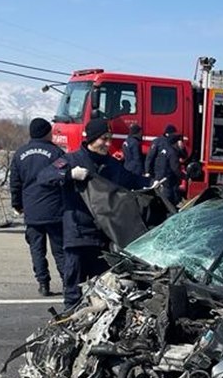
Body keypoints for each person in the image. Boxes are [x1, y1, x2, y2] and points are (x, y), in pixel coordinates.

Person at [43, 118, 147, 307]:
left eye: (110, 139)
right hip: (77, 236)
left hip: (103, 237)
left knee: (104, 291)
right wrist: (69, 175)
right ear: (91, 139)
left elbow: (130, 179)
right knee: (73, 292)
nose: (108, 144)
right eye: (103, 139)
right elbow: (44, 176)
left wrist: (150, 184)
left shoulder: (112, 165)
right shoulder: (71, 160)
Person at [11, 118, 67, 297]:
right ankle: (67, 283)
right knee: (59, 250)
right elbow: (63, 178)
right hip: (54, 209)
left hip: (32, 209)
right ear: (46, 132)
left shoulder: (20, 154)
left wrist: (17, 204)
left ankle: (43, 283)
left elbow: (15, 183)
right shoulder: (56, 152)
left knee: (36, 249)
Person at [152, 133, 186, 205]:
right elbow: (175, 169)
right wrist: (184, 176)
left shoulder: (165, 150)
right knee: (169, 201)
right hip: (168, 181)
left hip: (160, 178)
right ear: (176, 142)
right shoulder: (173, 153)